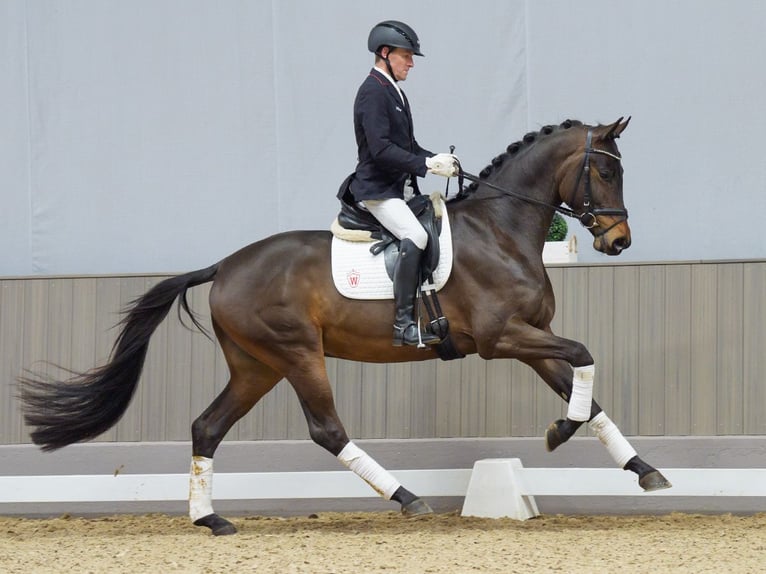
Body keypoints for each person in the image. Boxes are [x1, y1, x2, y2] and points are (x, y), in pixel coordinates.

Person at [349, 20, 459, 347]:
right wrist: (426, 165)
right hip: (378, 190)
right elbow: (381, 150)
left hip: (398, 188)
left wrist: (438, 161)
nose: (411, 62)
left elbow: (407, 147)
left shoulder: (394, 92)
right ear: (385, 53)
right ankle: (404, 324)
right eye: (406, 55)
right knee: (415, 234)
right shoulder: (372, 91)